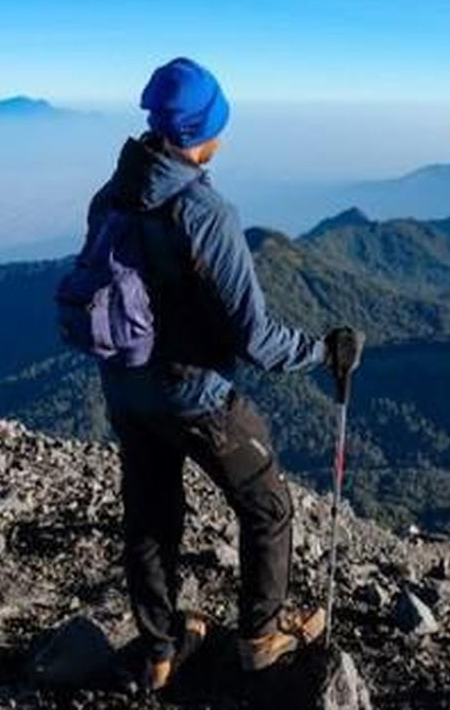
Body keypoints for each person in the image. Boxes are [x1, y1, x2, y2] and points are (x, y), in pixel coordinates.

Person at [74, 57, 364, 689]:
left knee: (151, 515)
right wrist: (323, 351)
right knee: (266, 503)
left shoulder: (115, 192)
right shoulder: (203, 212)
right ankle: (260, 638)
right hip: (194, 393)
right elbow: (256, 339)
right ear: (206, 130)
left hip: (124, 387)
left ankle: (159, 649)